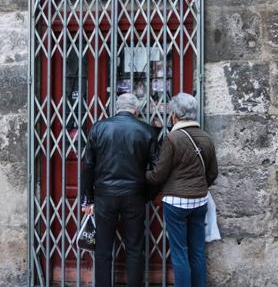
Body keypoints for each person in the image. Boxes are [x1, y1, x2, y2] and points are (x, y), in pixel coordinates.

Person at [81, 93, 159, 287]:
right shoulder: (147, 130)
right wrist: (147, 195)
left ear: (115, 108)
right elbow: (158, 169)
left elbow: (88, 165)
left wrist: (88, 199)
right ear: (137, 109)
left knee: (103, 248)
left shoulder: (99, 128)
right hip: (134, 195)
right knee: (134, 247)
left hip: (104, 196)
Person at [146, 93, 218, 287]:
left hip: (176, 203)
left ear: (174, 116)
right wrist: (199, 187)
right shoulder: (206, 138)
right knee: (197, 251)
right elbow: (212, 173)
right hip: (199, 201)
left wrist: (143, 176)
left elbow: (159, 174)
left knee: (180, 253)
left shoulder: (172, 138)